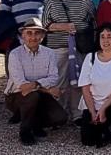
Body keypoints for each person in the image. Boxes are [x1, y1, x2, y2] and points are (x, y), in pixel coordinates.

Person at [42, 0, 96, 123]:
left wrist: (81, 32)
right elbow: (45, 24)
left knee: (78, 82)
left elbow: (93, 21)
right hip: (58, 47)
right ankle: (58, 114)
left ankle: (77, 114)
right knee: (59, 82)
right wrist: (63, 27)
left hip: (80, 47)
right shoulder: (52, 0)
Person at [5, 18, 68, 146]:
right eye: (29, 33)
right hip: (15, 96)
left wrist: (37, 84)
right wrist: (47, 89)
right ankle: (25, 131)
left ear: (43, 36)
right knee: (32, 96)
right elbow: (22, 86)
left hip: (40, 94)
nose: (33, 37)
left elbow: (53, 77)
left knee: (60, 117)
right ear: (22, 35)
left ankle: (35, 124)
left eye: (37, 33)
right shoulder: (15, 54)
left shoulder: (50, 53)